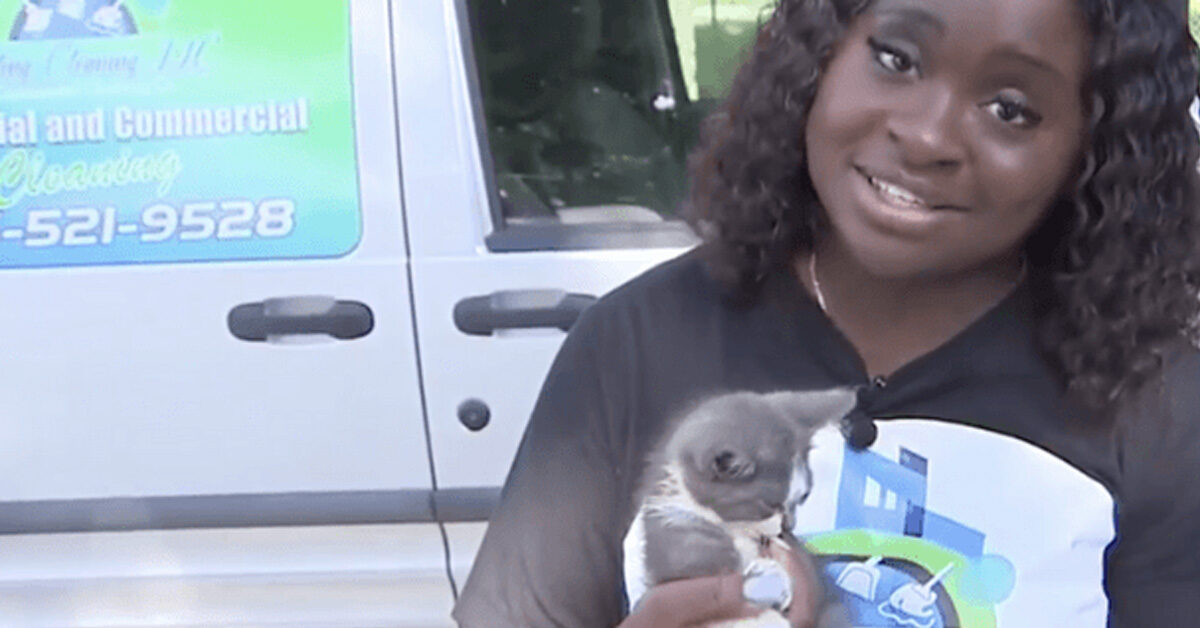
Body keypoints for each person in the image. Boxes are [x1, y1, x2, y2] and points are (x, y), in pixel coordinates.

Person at [454, 0, 1200, 625]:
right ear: (818, 58)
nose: (928, 134)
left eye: (1011, 109)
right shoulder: (634, 342)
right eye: (897, 59)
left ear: (1093, 155)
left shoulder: (1155, 405)